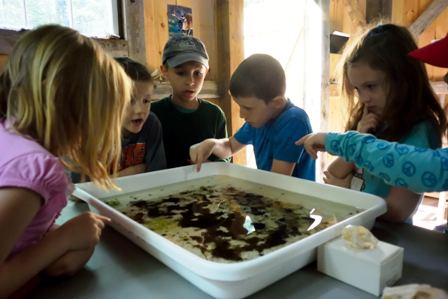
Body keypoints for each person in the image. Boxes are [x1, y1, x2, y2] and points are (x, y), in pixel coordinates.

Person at [0, 25, 132, 297]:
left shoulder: (7, 134)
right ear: (59, 100)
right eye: (95, 119)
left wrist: (56, 242)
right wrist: (64, 238)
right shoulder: (35, 170)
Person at [318, 24, 447, 223]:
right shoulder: (370, 119)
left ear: (403, 79)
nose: (363, 99)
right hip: (357, 224)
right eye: (358, 90)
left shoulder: (420, 130)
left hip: (388, 238)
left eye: (371, 86)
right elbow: (332, 174)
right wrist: (358, 137)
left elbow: (396, 211)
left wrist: (347, 193)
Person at [189, 54, 315, 180]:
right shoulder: (259, 120)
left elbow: (277, 181)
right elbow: (230, 146)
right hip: (271, 191)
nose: (241, 114)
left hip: (296, 197)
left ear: (277, 103)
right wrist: (211, 144)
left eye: (248, 108)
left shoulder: (294, 121)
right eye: (240, 106)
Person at [151, 35, 229, 168]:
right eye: (181, 73)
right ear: (164, 70)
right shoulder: (153, 113)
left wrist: (210, 166)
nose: (190, 82)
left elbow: (225, 160)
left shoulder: (215, 115)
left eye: (197, 73)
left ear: (207, 72)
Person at [113, 57, 166, 176]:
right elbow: (81, 187)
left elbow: (158, 175)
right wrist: (136, 170)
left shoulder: (151, 123)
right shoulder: (92, 132)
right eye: (129, 100)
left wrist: (109, 179)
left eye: (146, 101)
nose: (140, 110)